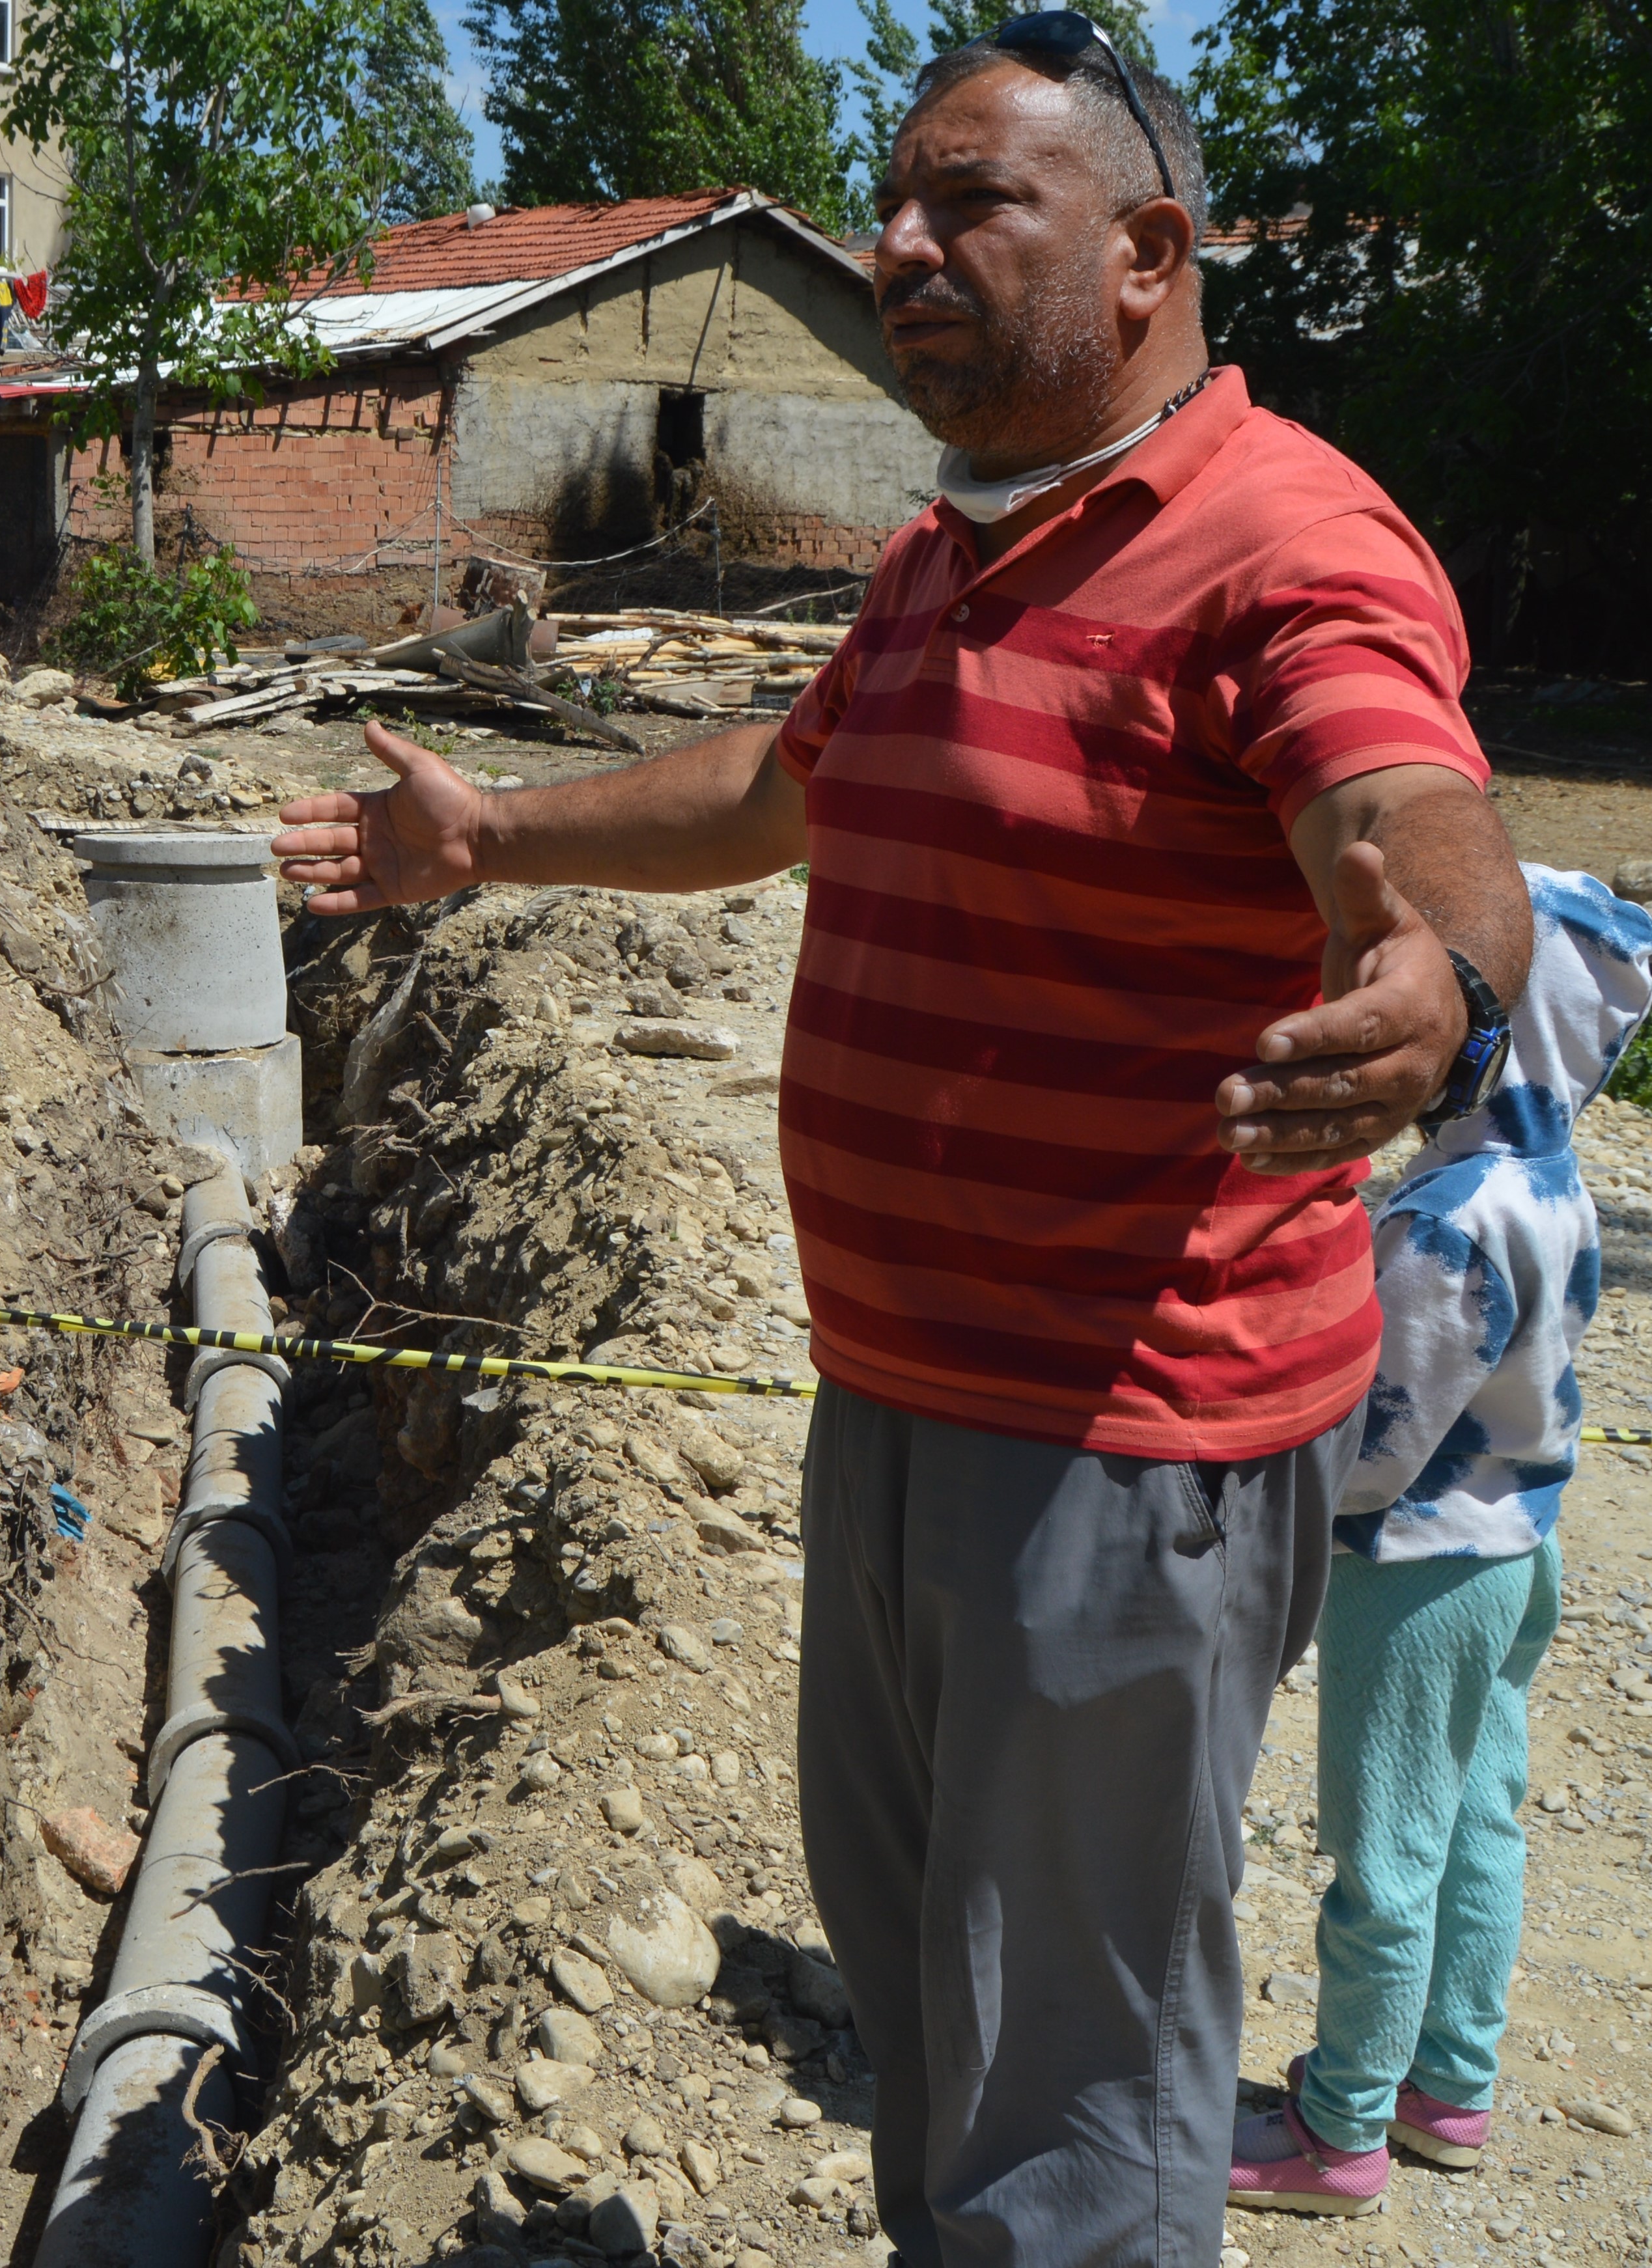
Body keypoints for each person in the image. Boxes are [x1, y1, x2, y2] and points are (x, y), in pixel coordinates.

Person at [274, 18, 1535, 2265]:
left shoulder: (1281, 538)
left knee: (1073, 2091)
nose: (898, 248)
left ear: (1147, 251)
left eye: (973, 204)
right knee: (937, 2017)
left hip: (1118, 1446)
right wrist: (491, 839)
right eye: (893, 202)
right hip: (903, 1401)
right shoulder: (955, 549)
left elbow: (1402, 802)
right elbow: (788, 785)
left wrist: (1438, 975)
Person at [1228, 866, 1652, 2217]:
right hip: (1515, 1546)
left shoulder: (1446, 1215)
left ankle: (1338, 2129)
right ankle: (1445, 2086)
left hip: (1414, 1572)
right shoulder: (1551, 1183)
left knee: (1385, 1849)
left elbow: (1383, 1432)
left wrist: (1273, 1492)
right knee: (1474, 1822)